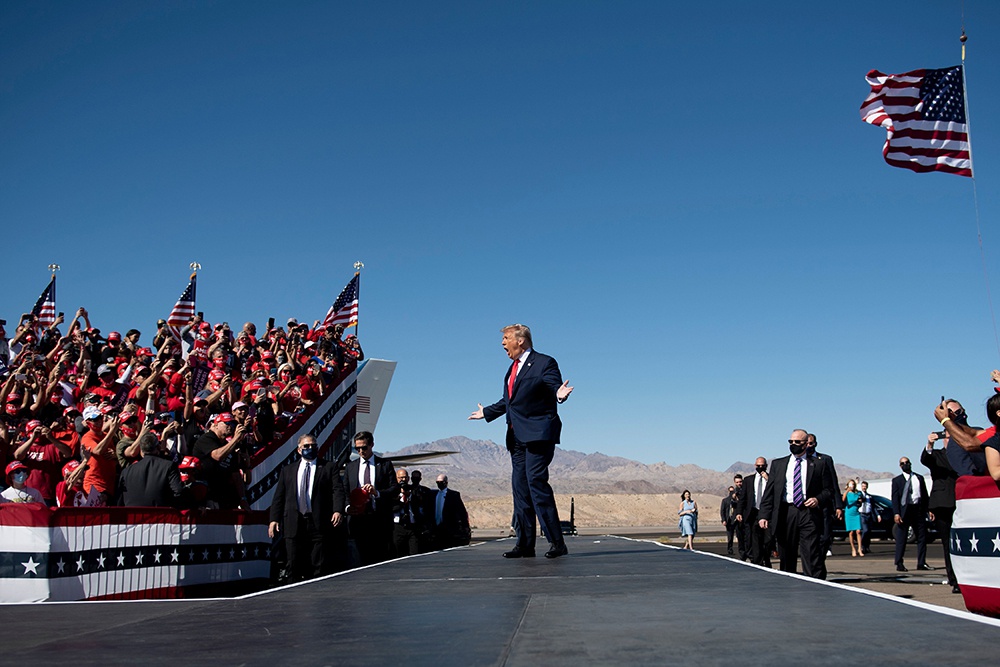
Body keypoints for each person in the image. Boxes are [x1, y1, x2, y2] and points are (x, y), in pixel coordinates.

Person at [469, 324, 573, 560]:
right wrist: (486, 412)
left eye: (506, 339)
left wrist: (559, 394)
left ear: (521, 341)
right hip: (515, 438)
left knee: (536, 482)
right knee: (520, 489)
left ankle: (557, 542)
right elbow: (510, 401)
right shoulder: (511, 368)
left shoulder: (544, 362)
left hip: (538, 434)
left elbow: (553, 385)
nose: (503, 343)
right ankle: (525, 544)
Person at [758, 429, 837, 579]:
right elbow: (770, 493)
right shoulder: (779, 464)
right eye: (791, 442)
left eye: (797, 442)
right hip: (786, 512)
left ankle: (814, 586)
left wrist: (817, 499)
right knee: (787, 553)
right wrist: (764, 515)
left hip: (808, 513)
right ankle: (788, 585)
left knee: (811, 552)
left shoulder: (819, 464)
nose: (793, 444)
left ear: (806, 444)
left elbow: (829, 490)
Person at [268, 435, 345, 581]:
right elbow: (279, 496)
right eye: (306, 446)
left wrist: (337, 510)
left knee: (318, 564)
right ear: (299, 450)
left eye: (313, 445)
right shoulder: (288, 470)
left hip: (318, 522)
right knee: (293, 563)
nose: (310, 448)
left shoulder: (329, 467)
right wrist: (274, 519)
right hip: (294, 522)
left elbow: (338, 490)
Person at [343, 431, 396, 566]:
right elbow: (344, 491)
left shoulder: (385, 465)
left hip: (379, 519)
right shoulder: (351, 467)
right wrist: (348, 507)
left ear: (372, 445)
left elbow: (394, 489)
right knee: (360, 559)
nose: (361, 451)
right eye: (358, 448)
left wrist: (377, 493)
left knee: (380, 559)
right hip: (358, 520)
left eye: (364, 448)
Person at [922, 430, 960, 592]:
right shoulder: (937, 455)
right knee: (948, 543)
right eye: (947, 437)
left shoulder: (962, 456)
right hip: (943, 504)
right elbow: (926, 459)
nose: (949, 440)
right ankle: (955, 580)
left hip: (961, 500)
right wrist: (930, 444)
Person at [806, 432, 841, 576]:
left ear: (815, 444)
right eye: (806, 443)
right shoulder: (800, 462)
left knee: (825, 538)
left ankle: (819, 565)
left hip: (824, 505)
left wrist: (838, 505)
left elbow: (833, 483)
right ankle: (816, 571)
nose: (808, 445)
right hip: (807, 506)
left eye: (811, 443)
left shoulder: (825, 459)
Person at [118, 433, 185, 507]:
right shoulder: (169, 466)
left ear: (141, 450)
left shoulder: (126, 471)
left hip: (134, 516)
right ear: (158, 448)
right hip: (161, 515)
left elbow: (120, 500)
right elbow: (179, 492)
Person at [890, 456, 929, 573]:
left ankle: (921, 562)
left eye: (907, 462)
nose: (905, 464)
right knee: (902, 537)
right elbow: (895, 498)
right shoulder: (897, 481)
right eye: (903, 463)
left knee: (922, 537)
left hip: (918, 509)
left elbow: (925, 495)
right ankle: (899, 562)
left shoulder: (919, 478)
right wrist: (896, 513)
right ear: (900, 466)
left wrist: (928, 510)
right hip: (904, 511)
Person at [738, 457, 771, 566]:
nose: (760, 467)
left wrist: (769, 479)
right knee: (754, 539)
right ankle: (757, 562)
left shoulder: (771, 479)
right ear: (755, 465)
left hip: (767, 513)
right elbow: (743, 498)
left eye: (762, 465)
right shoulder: (748, 480)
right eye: (758, 465)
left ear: (766, 466)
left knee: (767, 539)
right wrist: (739, 512)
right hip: (752, 513)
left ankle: (767, 559)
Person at [431, 474, 471, 550]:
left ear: (446, 482)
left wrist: (465, 526)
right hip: (435, 528)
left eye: (441, 482)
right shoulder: (433, 494)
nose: (439, 484)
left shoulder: (453, 495)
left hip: (449, 528)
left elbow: (461, 511)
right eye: (438, 482)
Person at [857, 481, 878, 555]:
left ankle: (867, 547)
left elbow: (873, 506)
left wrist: (877, 515)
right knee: (865, 530)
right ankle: (862, 546)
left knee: (869, 531)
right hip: (862, 514)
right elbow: (861, 499)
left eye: (865, 486)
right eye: (863, 486)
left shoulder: (869, 496)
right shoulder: (860, 495)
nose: (864, 487)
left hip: (869, 514)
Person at [842, 479, 862, 557]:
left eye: (853, 484)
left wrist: (859, 502)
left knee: (858, 531)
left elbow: (860, 501)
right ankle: (853, 549)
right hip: (849, 513)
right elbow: (843, 500)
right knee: (851, 532)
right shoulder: (847, 493)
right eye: (850, 484)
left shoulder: (857, 493)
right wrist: (847, 490)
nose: (852, 486)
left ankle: (860, 548)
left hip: (856, 512)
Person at [720, 485, 737, 555]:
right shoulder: (725, 500)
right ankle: (730, 549)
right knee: (730, 536)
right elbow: (722, 511)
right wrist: (723, 520)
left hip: (736, 520)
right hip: (729, 521)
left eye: (733, 491)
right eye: (730, 491)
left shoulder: (737, 501)